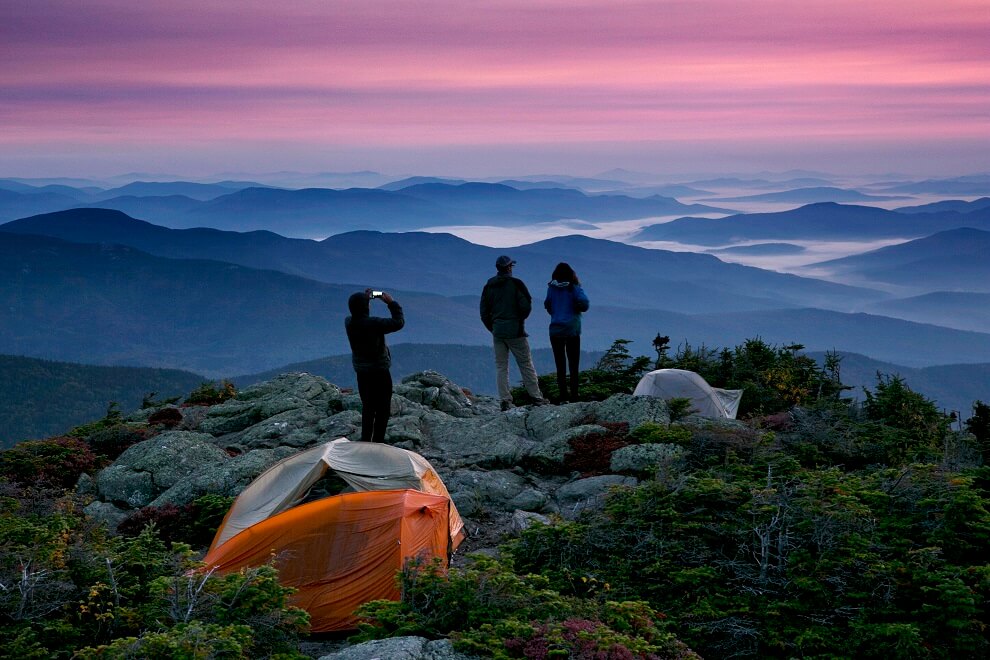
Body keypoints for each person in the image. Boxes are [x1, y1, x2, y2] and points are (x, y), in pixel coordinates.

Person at [480, 255, 549, 410]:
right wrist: (518, 320)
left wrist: (493, 327)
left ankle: (505, 400)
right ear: (509, 267)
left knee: (501, 366)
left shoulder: (489, 285)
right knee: (525, 364)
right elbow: (526, 306)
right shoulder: (516, 284)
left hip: (498, 331)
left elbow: (484, 312)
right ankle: (536, 398)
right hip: (516, 331)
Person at [345, 288, 404, 442]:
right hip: (380, 371)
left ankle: (365, 439)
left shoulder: (349, 322)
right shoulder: (374, 324)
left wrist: (366, 298)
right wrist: (391, 303)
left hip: (362, 373)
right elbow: (398, 322)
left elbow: (358, 310)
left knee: (368, 407)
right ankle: (377, 441)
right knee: (383, 408)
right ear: (366, 308)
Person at [544, 262, 590, 402]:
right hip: (572, 329)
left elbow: (547, 304)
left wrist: (556, 313)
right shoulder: (574, 288)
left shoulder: (551, 289)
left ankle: (563, 395)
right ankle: (575, 395)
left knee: (560, 363)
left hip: (555, 330)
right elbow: (585, 303)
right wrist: (575, 307)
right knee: (573, 363)